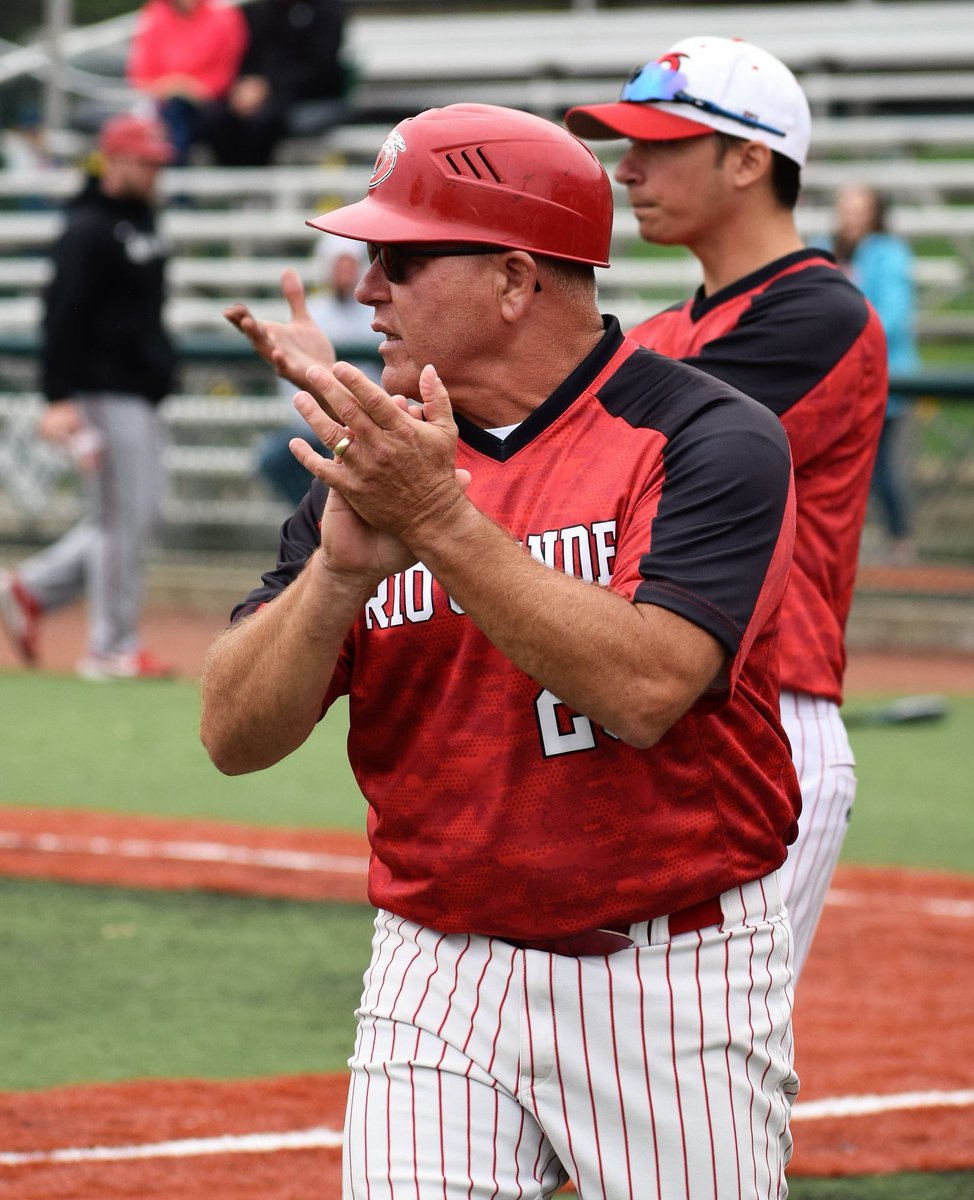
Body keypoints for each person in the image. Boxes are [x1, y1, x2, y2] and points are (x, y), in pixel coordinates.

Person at [204, 102, 801, 1197]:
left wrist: (436, 521)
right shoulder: (374, 466)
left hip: (667, 970)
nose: (364, 287)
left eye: (399, 256)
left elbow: (646, 686)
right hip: (436, 961)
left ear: (518, 280)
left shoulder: (704, 436)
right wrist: (337, 573)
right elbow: (233, 738)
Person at [566, 35, 889, 977]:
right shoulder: (671, 326)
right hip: (661, 703)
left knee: (699, 1074)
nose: (627, 167)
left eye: (659, 144)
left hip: (769, 718)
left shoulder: (818, 313)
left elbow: (612, 447)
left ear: (750, 160)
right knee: (623, 1054)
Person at [0, 114, 177, 680]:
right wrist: (58, 397)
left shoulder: (142, 221)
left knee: (133, 516)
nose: (154, 172)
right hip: (102, 392)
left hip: (138, 392)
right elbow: (59, 317)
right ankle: (110, 646)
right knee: (120, 520)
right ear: (115, 160)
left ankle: (28, 590)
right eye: (145, 161)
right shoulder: (86, 229)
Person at [830, 183, 920, 564]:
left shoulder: (889, 253)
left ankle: (900, 541)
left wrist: (841, 335)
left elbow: (893, 317)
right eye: (845, 208)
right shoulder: (824, 248)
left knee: (883, 471)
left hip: (884, 383)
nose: (850, 217)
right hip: (835, 385)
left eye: (859, 209)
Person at [258, 236, 383, 505]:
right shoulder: (313, 312)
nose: (344, 273)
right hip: (315, 427)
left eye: (349, 266)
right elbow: (292, 379)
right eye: (339, 266)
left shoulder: (374, 312)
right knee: (273, 459)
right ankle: (313, 517)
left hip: (365, 426)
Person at [196, 0, 349, 167]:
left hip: (302, 94)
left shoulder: (328, 11)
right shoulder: (260, 13)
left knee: (261, 124)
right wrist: (246, 85)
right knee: (217, 120)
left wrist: (268, 88)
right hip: (255, 93)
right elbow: (248, 59)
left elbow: (321, 68)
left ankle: (254, 183)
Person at [126, 0, 248, 165]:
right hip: (164, 102)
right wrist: (170, 86)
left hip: (213, 103)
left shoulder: (224, 16)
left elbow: (227, 70)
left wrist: (194, 89)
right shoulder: (154, 15)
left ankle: (175, 175)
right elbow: (141, 73)